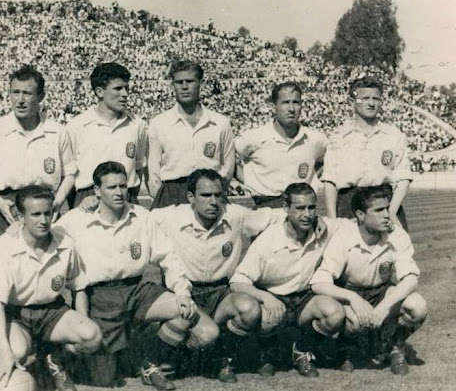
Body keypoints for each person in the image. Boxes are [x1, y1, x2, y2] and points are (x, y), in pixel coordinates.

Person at [54, 161, 217, 390]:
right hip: (99, 297)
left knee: (189, 317)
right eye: (111, 187)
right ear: (97, 191)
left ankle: (150, 363)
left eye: (123, 186)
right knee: (104, 378)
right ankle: (59, 356)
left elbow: (168, 256)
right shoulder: (76, 220)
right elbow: (45, 237)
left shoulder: (141, 215)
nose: (119, 192)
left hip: (137, 290)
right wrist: (16, 229)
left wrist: (182, 292)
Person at [148, 169, 286, 383]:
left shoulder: (236, 215)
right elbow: (135, 217)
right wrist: (91, 203)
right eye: (206, 195)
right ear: (191, 197)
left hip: (221, 292)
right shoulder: (170, 217)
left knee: (250, 309)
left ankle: (221, 358)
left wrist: (321, 221)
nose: (214, 201)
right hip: (186, 293)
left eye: (218, 195)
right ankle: (155, 360)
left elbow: (274, 215)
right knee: (206, 334)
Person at [0, 186, 102, 391]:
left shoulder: (65, 243)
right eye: (36, 214)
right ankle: (33, 365)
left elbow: (78, 286)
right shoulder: (4, 247)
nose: (44, 220)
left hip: (52, 312)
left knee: (92, 336)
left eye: (48, 213)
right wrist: (4, 351)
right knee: (16, 357)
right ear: (20, 216)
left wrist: (83, 319)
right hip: (16, 314)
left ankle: (56, 360)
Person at [230, 183, 346, 378]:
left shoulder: (321, 229)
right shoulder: (269, 239)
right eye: (300, 208)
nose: (307, 215)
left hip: (304, 299)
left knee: (334, 313)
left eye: (311, 208)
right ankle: (265, 352)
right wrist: (265, 298)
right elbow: (237, 281)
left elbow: (351, 225)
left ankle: (301, 350)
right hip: (274, 297)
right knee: (267, 320)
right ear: (285, 207)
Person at [310, 185, 427, 375]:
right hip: (351, 291)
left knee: (418, 307)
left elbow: (411, 278)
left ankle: (394, 346)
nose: (387, 215)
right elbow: (319, 282)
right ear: (360, 215)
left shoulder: (396, 234)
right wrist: (353, 299)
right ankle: (345, 347)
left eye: (387, 208)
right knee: (355, 322)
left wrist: (385, 305)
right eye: (379, 210)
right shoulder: (345, 235)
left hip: (381, 291)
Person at [0, 65, 76, 256]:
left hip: (44, 208)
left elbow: (70, 173)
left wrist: (57, 203)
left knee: (47, 270)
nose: (20, 100)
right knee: (1, 275)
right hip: (6, 207)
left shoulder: (58, 132)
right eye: (15, 92)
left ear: (41, 96)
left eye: (27, 93)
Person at [322, 77, 412, 230]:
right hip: (349, 203)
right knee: (348, 251)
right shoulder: (338, 136)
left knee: (393, 250)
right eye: (365, 98)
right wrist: (332, 219)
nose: (371, 103)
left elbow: (404, 178)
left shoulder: (393, 135)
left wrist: (391, 212)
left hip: (384, 201)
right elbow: (330, 181)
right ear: (352, 102)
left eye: (376, 98)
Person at [147, 60, 235, 209]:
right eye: (179, 82)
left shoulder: (220, 123)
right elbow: (153, 172)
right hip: (172, 193)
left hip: (210, 192)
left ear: (201, 83)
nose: (184, 87)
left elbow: (228, 168)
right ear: (172, 85)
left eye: (190, 81)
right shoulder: (159, 123)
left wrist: (213, 191)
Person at [65, 63, 147, 208]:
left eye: (127, 88)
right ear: (99, 92)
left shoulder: (137, 125)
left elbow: (139, 169)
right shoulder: (77, 126)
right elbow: (68, 173)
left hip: (126, 197)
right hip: (87, 199)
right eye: (118, 88)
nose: (125, 94)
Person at [235, 82, 327, 208]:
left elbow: (329, 160)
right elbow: (229, 156)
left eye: (296, 102)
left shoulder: (315, 139)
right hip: (265, 205)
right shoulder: (255, 137)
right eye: (285, 102)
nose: (291, 109)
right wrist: (249, 181)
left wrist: (313, 179)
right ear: (274, 106)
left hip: (301, 206)